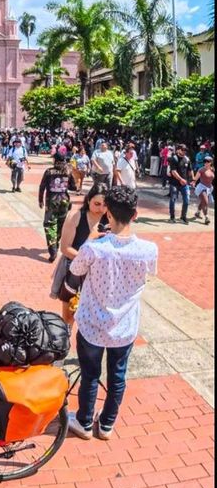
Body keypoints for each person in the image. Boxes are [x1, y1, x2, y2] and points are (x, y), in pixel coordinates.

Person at [67, 186, 158, 442]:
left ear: (108, 214)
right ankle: (106, 424)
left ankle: (84, 422)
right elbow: (151, 273)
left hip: (92, 324)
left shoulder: (95, 248)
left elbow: (75, 268)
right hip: (124, 326)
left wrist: (90, 239)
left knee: (90, 375)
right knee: (118, 376)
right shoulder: (148, 249)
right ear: (135, 214)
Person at [51, 183, 110, 327]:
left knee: (94, 317)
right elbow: (65, 248)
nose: (101, 209)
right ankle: (66, 336)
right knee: (69, 316)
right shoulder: (76, 216)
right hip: (74, 271)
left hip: (98, 275)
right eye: (97, 204)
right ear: (88, 200)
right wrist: (87, 260)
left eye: (105, 205)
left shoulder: (109, 219)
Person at [38, 153, 77, 261]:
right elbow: (74, 187)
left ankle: (53, 248)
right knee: (61, 224)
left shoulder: (49, 171)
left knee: (49, 224)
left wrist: (40, 200)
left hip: (52, 202)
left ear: (55, 160)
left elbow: (42, 186)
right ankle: (56, 243)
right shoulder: (68, 171)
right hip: (64, 201)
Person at [167, 144, 194, 224]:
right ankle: (172, 217)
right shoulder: (174, 159)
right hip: (174, 183)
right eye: (182, 150)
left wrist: (193, 180)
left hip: (184, 184)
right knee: (173, 200)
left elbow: (190, 170)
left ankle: (183, 217)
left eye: (185, 150)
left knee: (186, 200)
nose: (184, 151)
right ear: (178, 150)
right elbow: (173, 171)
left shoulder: (187, 159)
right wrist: (181, 179)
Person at [193, 156, 213, 225]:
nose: (206, 163)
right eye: (205, 161)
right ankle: (206, 217)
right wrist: (193, 182)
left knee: (203, 202)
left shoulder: (212, 169)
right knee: (206, 202)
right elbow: (196, 178)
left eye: (208, 161)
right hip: (201, 188)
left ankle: (197, 213)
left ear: (211, 162)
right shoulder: (201, 169)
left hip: (209, 188)